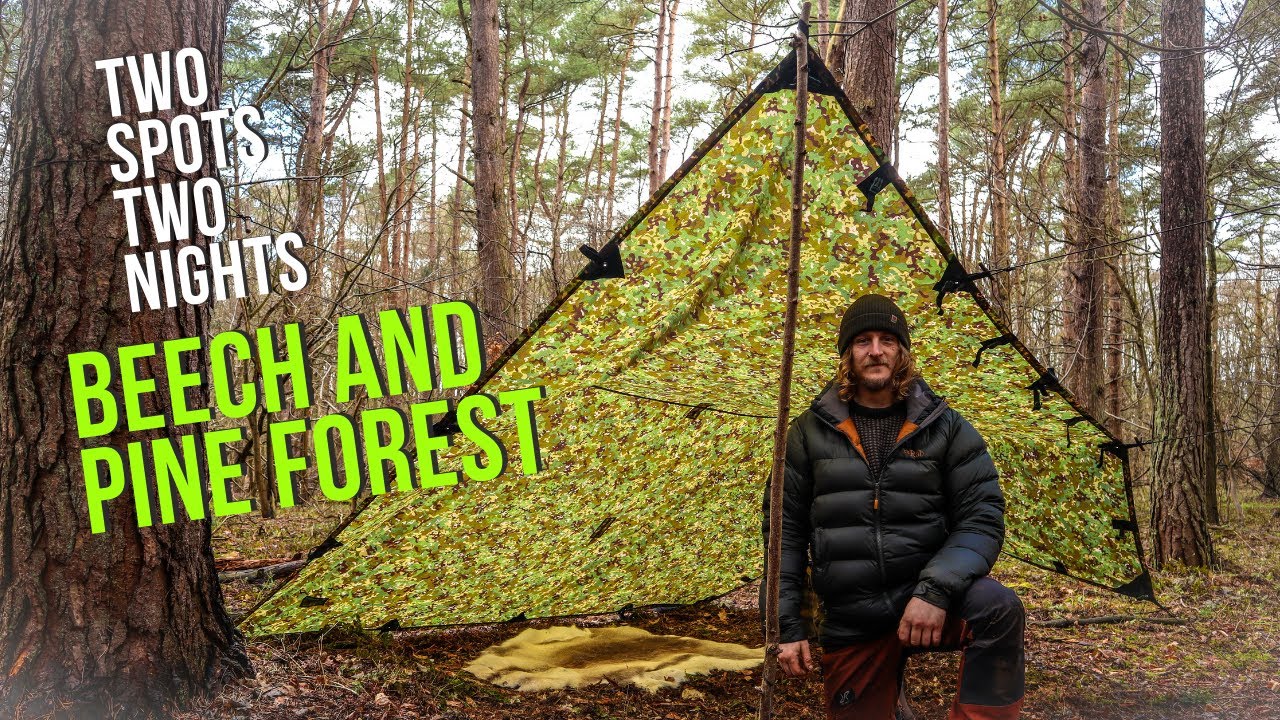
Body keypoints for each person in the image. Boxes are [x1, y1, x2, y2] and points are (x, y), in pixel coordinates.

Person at [762, 293, 1025, 720]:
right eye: (862, 341)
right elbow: (784, 535)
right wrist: (786, 626)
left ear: (902, 351)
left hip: (928, 597)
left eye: (887, 340)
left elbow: (981, 519)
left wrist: (934, 591)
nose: (876, 351)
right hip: (852, 616)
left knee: (998, 609)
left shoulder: (945, 427)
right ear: (847, 354)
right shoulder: (807, 433)